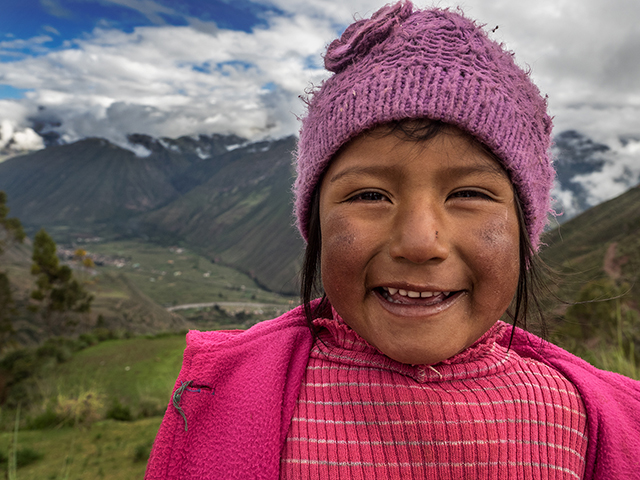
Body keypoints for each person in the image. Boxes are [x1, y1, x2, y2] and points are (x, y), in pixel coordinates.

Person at [145, 2, 640, 479]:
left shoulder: (592, 425)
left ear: (523, 230)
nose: (420, 242)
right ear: (315, 222)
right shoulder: (216, 398)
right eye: (370, 195)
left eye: (468, 193)